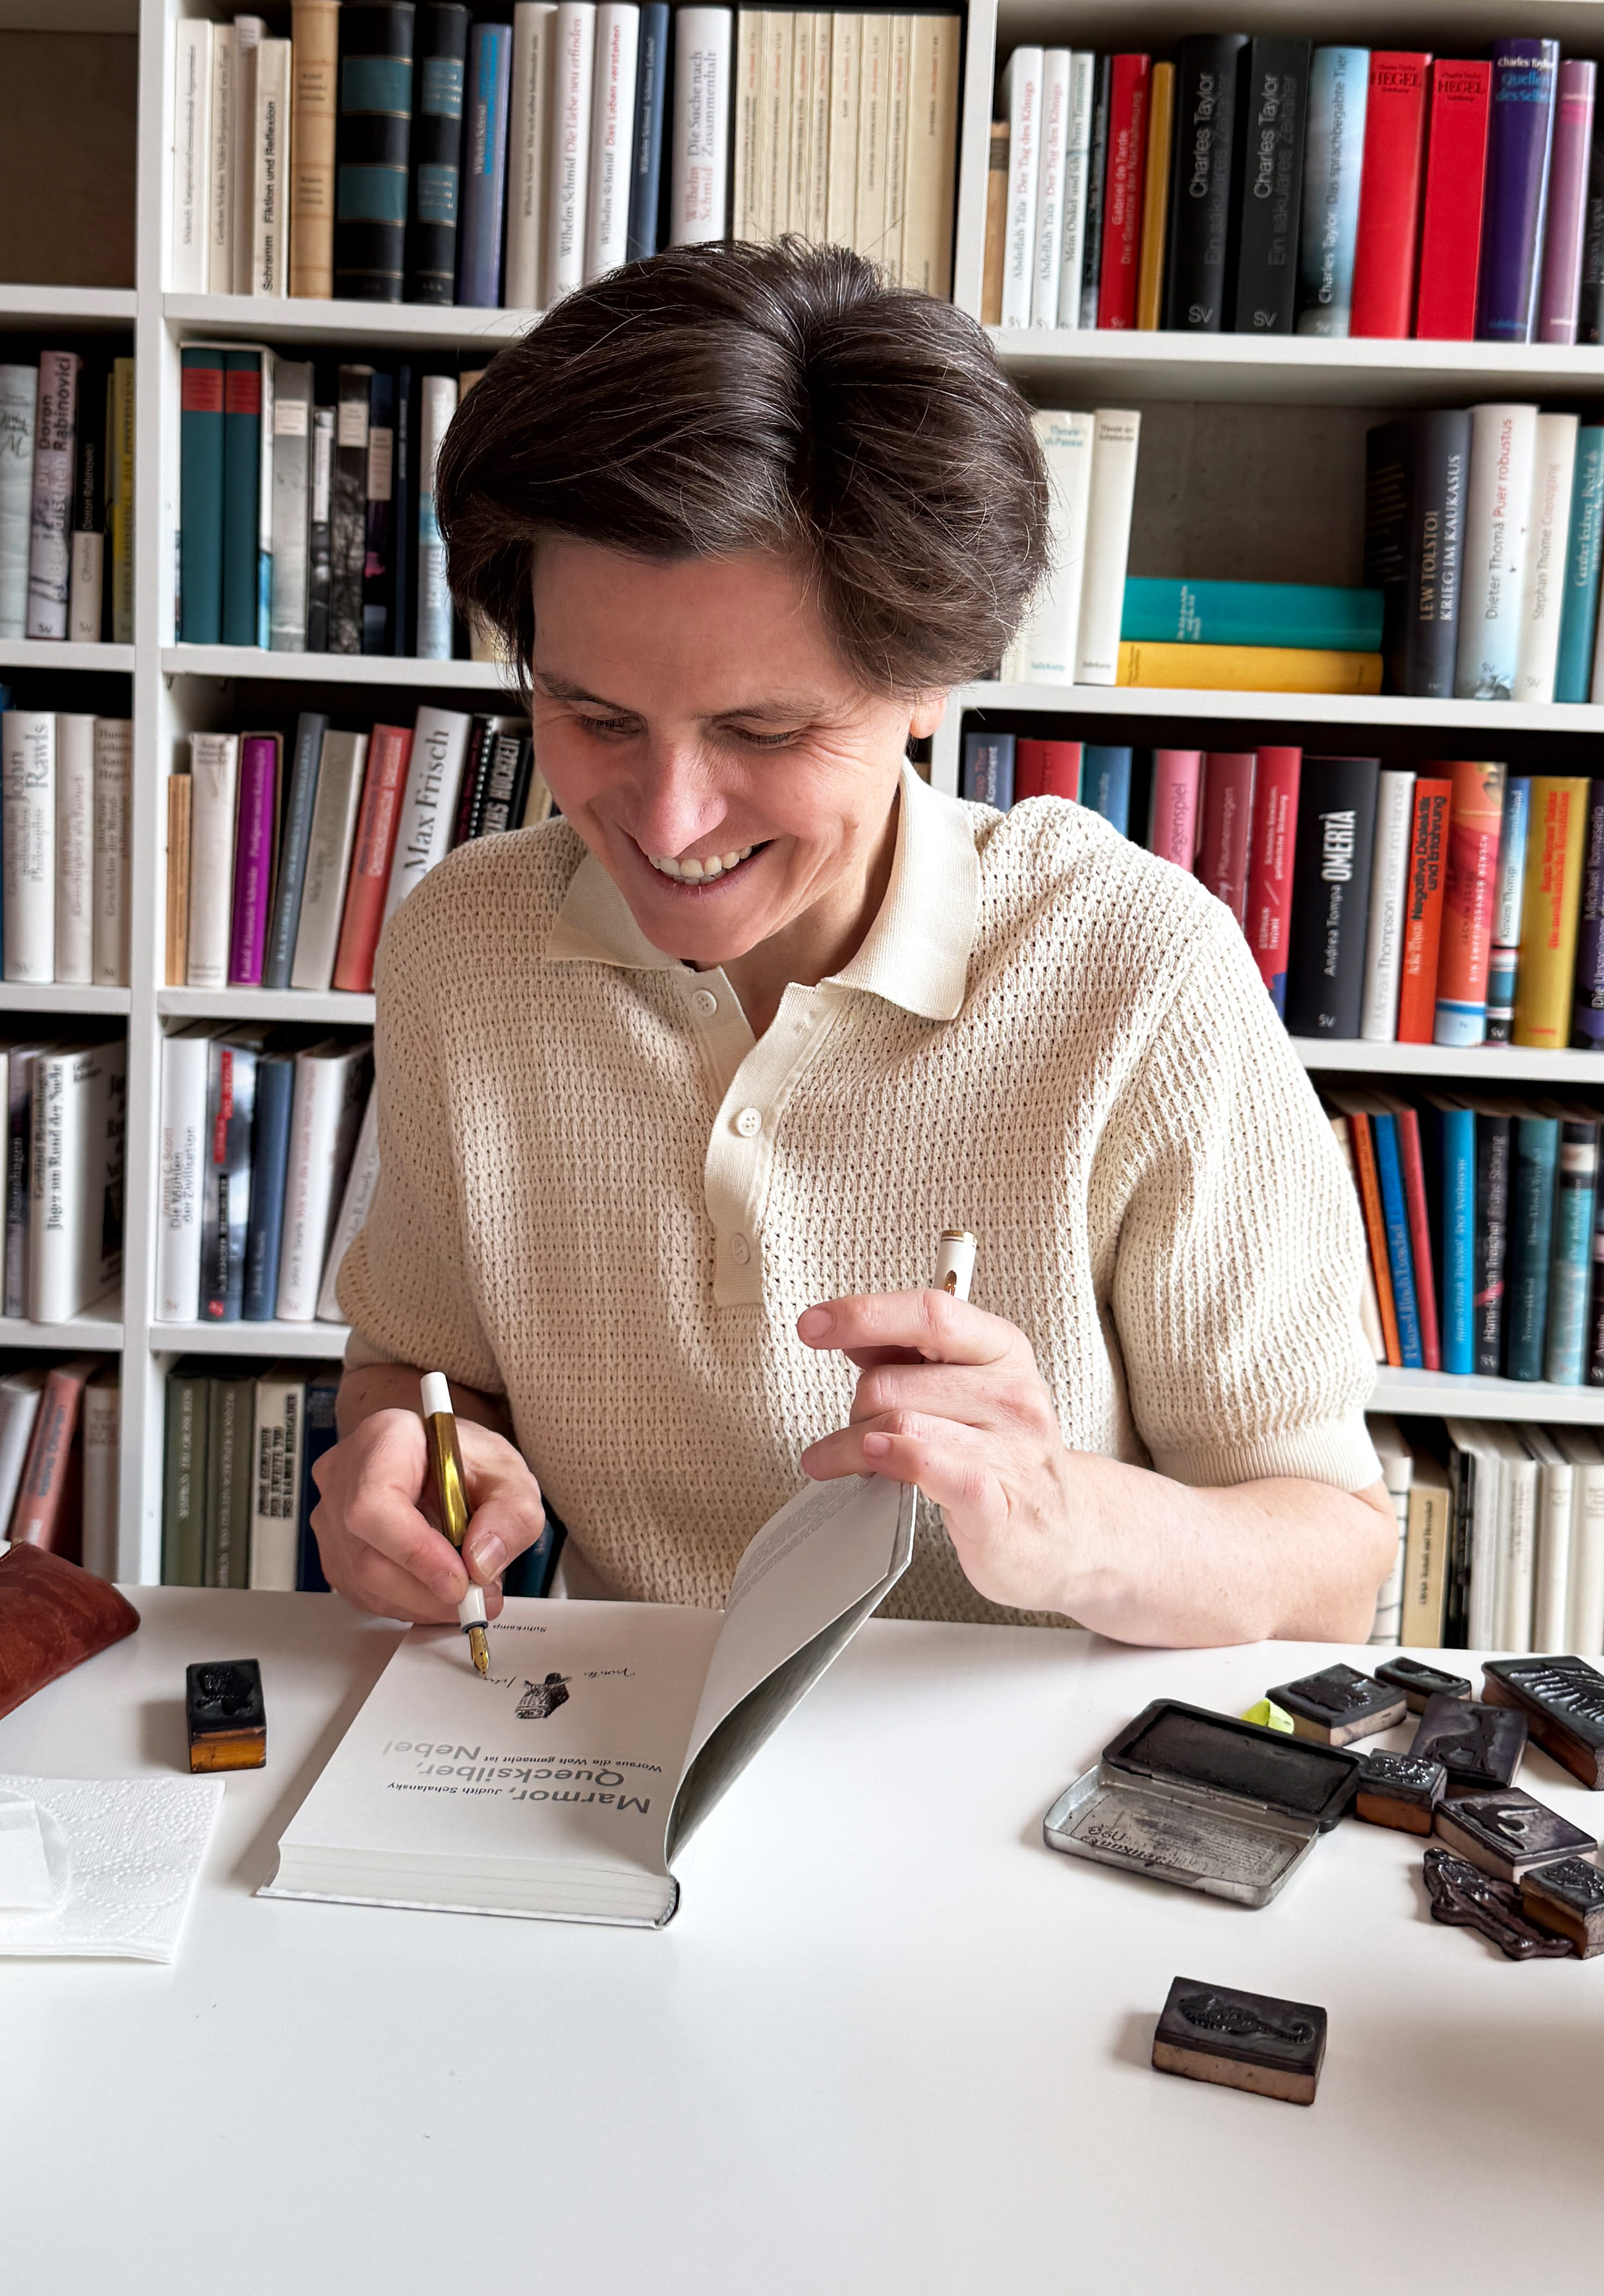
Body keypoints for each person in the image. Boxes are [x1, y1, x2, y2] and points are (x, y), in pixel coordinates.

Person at [311, 237, 1394, 1644]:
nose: (667, 815)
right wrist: (421, 1462)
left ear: (931, 680)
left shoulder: (1133, 970)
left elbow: (1329, 1554)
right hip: (622, 1745)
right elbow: (422, 1363)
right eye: (594, 716)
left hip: (1020, 1778)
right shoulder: (465, 945)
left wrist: (1061, 1523)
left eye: (763, 731)